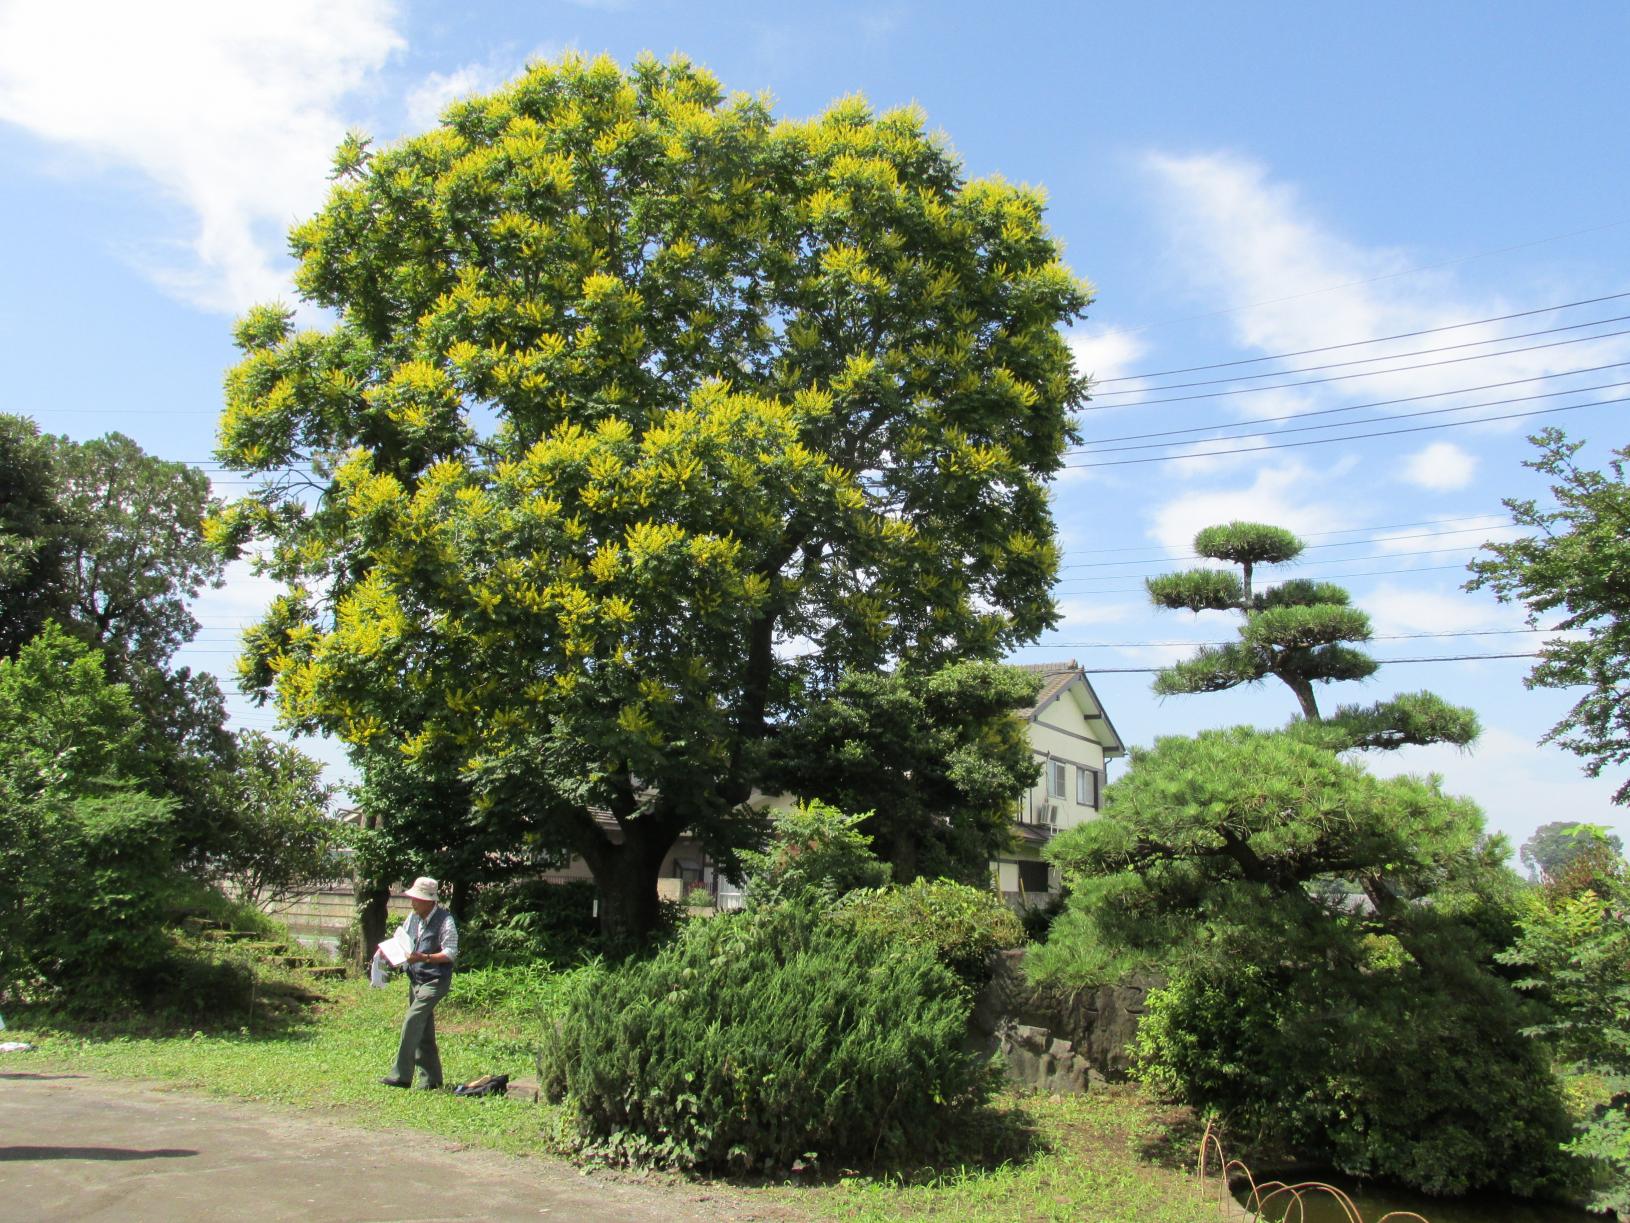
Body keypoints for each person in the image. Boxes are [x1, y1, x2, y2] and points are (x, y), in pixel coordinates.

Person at [377, 876, 458, 1089]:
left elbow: (450, 952)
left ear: (430, 901)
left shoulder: (445, 920)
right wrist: (387, 953)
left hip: (435, 980)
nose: (413, 902)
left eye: (417, 898)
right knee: (423, 1030)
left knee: (412, 1021)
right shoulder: (413, 918)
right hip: (416, 979)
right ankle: (431, 1080)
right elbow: (401, 941)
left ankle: (401, 1075)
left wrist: (424, 957)